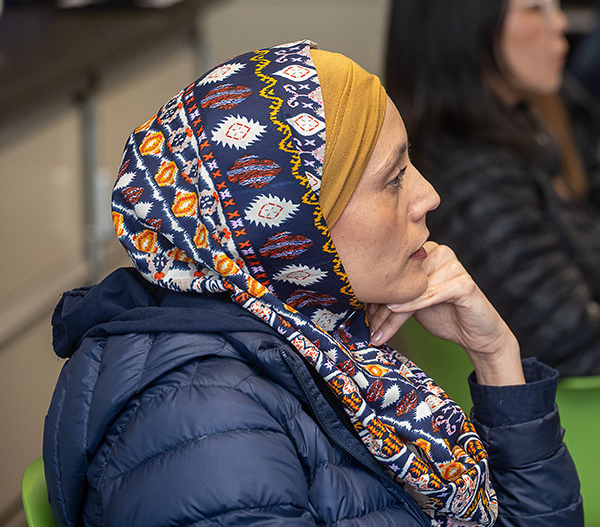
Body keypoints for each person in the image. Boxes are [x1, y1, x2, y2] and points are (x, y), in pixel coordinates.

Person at [43, 40, 582, 527]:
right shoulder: (205, 423)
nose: (428, 196)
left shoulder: (325, 344)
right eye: (393, 180)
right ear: (292, 228)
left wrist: (496, 358)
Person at [385, 0, 600, 376]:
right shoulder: (473, 179)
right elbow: (572, 346)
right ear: (467, 17)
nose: (560, 23)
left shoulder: (526, 122)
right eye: (539, 4)